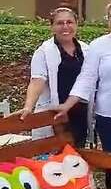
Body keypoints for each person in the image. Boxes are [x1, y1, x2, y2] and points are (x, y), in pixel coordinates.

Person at [49, 0, 111, 189]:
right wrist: (68, 105)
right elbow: (86, 78)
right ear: (108, 20)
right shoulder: (99, 45)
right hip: (110, 115)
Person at [17, 8, 90, 148]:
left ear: (76, 25)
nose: (65, 26)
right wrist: (28, 106)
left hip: (80, 111)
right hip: (55, 112)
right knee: (55, 155)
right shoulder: (44, 51)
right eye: (60, 23)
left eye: (70, 22)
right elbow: (37, 80)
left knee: (77, 156)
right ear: (52, 27)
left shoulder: (86, 50)